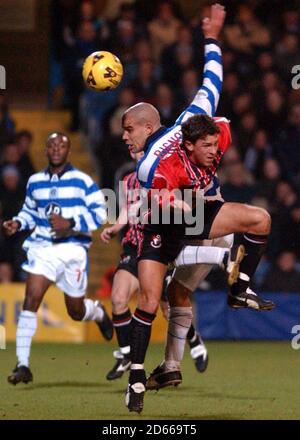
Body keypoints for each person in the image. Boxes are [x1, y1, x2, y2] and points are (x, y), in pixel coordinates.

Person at [121, 4, 274, 413]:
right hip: (164, 223)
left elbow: (212, 78)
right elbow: (163, 204)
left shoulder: (201, 124)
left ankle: (238, 285)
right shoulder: (155, 163)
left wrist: (212, 36)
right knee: (154, 301)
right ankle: (138, 377)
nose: (214, 151)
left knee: (260, 218)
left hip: (197, 211)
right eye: (205, 147)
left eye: (128, 129)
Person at [3, 132, 113, 385]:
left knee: (75, 311)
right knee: (30, 299)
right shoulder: (35, 181)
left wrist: (71, 223)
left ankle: (96, 313)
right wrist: (18, 223)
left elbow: (100, 214)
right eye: (51, 145)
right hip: (43, 248)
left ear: (68, 150)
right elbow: (30, 212)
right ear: (45, 150)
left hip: (73, 250)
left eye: (60, 145)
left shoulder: (82, 181)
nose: (55, 149)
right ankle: (23, 364)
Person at [101, 152, 220, 381]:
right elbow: (129, 208)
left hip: (159, 249)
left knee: (167, 308)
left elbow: (179, 207)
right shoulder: (128, 180)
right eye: (136, 151)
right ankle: (127, 354)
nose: (138, 154)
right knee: (118, 298)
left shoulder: (168, 175)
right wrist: (116, 227)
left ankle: (194, 339)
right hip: (134, 248)